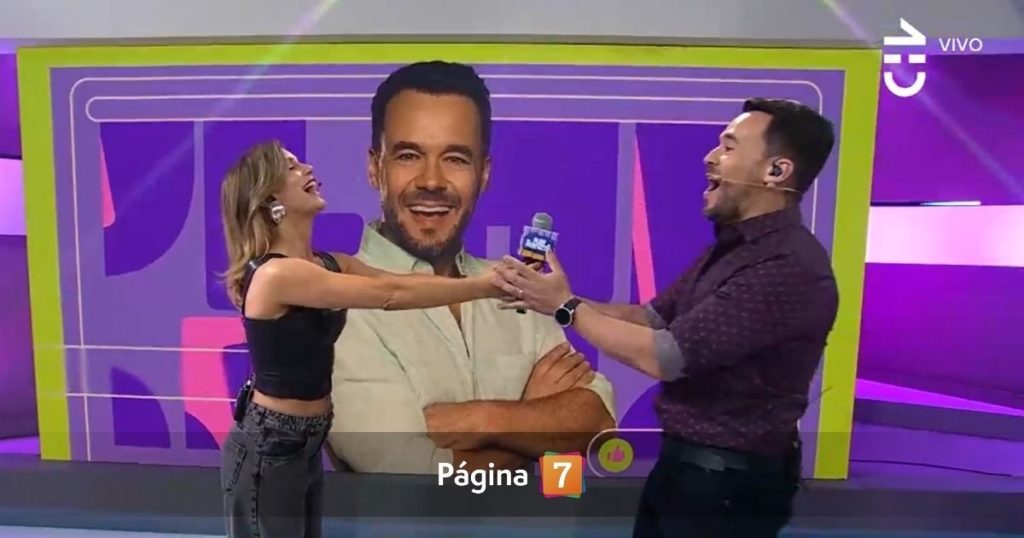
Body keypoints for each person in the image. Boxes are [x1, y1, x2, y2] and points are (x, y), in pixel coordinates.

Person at [495, 98, 840, 537]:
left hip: (728, 490)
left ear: (776, 171)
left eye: (729, 147)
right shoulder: (733, 250)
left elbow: (668, 356)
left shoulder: (787, 266)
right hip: (687, 471)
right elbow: (652, 319)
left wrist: (565, 308)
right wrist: (552, 297)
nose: (710, 157)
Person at [326, 60, 616, 474]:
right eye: (408, 155)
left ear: (484, 174)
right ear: (375, 168)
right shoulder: (335, 304)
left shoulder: (518, 286)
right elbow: (406, 473)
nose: (431, 181)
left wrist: (478, 420)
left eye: (456, 159)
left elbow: (597, 420)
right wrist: (533, 422)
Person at [217, 139, 507, 538]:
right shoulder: (277, 275)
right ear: (269, 198)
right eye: (291, 167)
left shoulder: (328, 263)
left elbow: (405, 283)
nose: (307, 168)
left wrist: (490, 281)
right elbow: (391, 295)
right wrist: (487, 287)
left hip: (304, 440)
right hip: (270, 444)